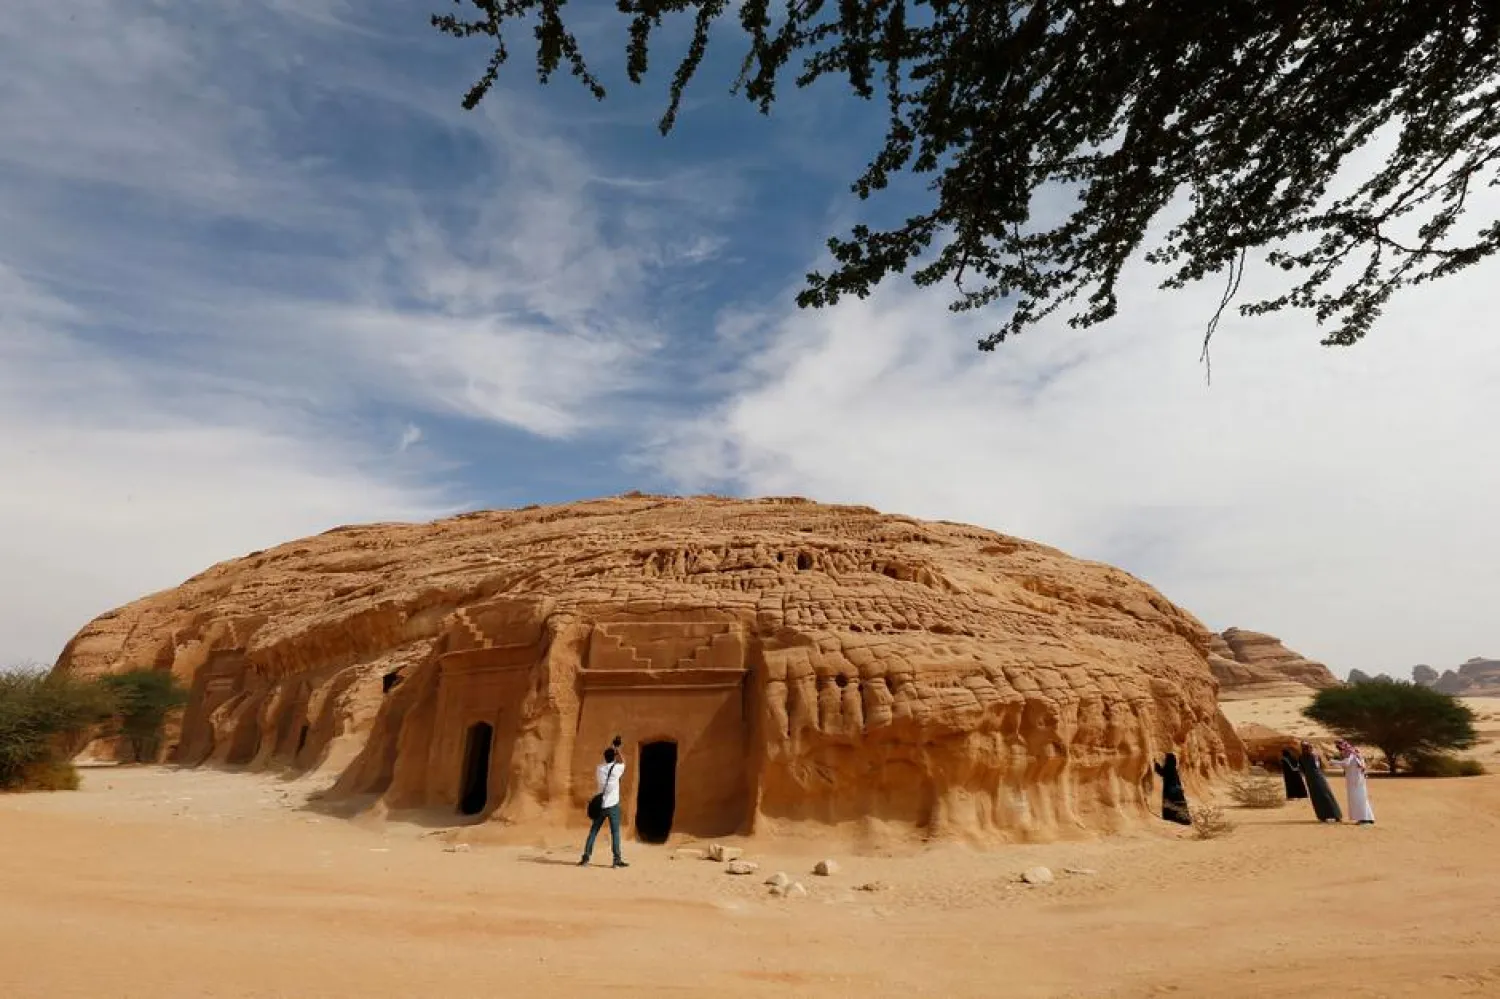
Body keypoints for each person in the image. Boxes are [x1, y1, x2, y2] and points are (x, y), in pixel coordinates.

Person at [579, 736, 628, 868]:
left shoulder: (599, 769)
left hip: (600, 804)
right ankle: (616, 860)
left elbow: (606, 762)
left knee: (593, 831)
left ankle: (586, 858)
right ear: (614, 757)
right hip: (612, 805)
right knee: (615, 833)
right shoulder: (617, 769)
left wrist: (612, 750)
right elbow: (623, 762)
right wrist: (617, 750)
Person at [1331, 739, 1375, 825]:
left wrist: (1334, 762)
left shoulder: (1350, 753)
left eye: (1339, 746)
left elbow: (1346, 763)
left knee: (1359, 798)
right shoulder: (1352, 752)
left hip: (1356, 779)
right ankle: (1368, 817)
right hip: (1354, 778)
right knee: (1360, 798)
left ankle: (1364, 818)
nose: (1339, 749)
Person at [1298, 741, 1343, 823]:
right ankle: (1326, 816)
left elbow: (1307, 768)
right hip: (1313, 778)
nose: (1308, 749)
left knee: (1323, 795)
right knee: (1319, 796)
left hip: (1314, 778)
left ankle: (1334, 815)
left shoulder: (1308, 756)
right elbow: (1315, 767)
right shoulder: (1306, 757)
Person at [1153, 752, 1191, 825]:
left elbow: (1162, 772)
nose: (1165, 760)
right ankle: (1183, 819)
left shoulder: (1169, 767)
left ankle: (1172, 817)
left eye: (1166, 758)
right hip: (1176, 790)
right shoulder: (1173, 768)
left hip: (1170, 789)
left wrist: (1155, 764)